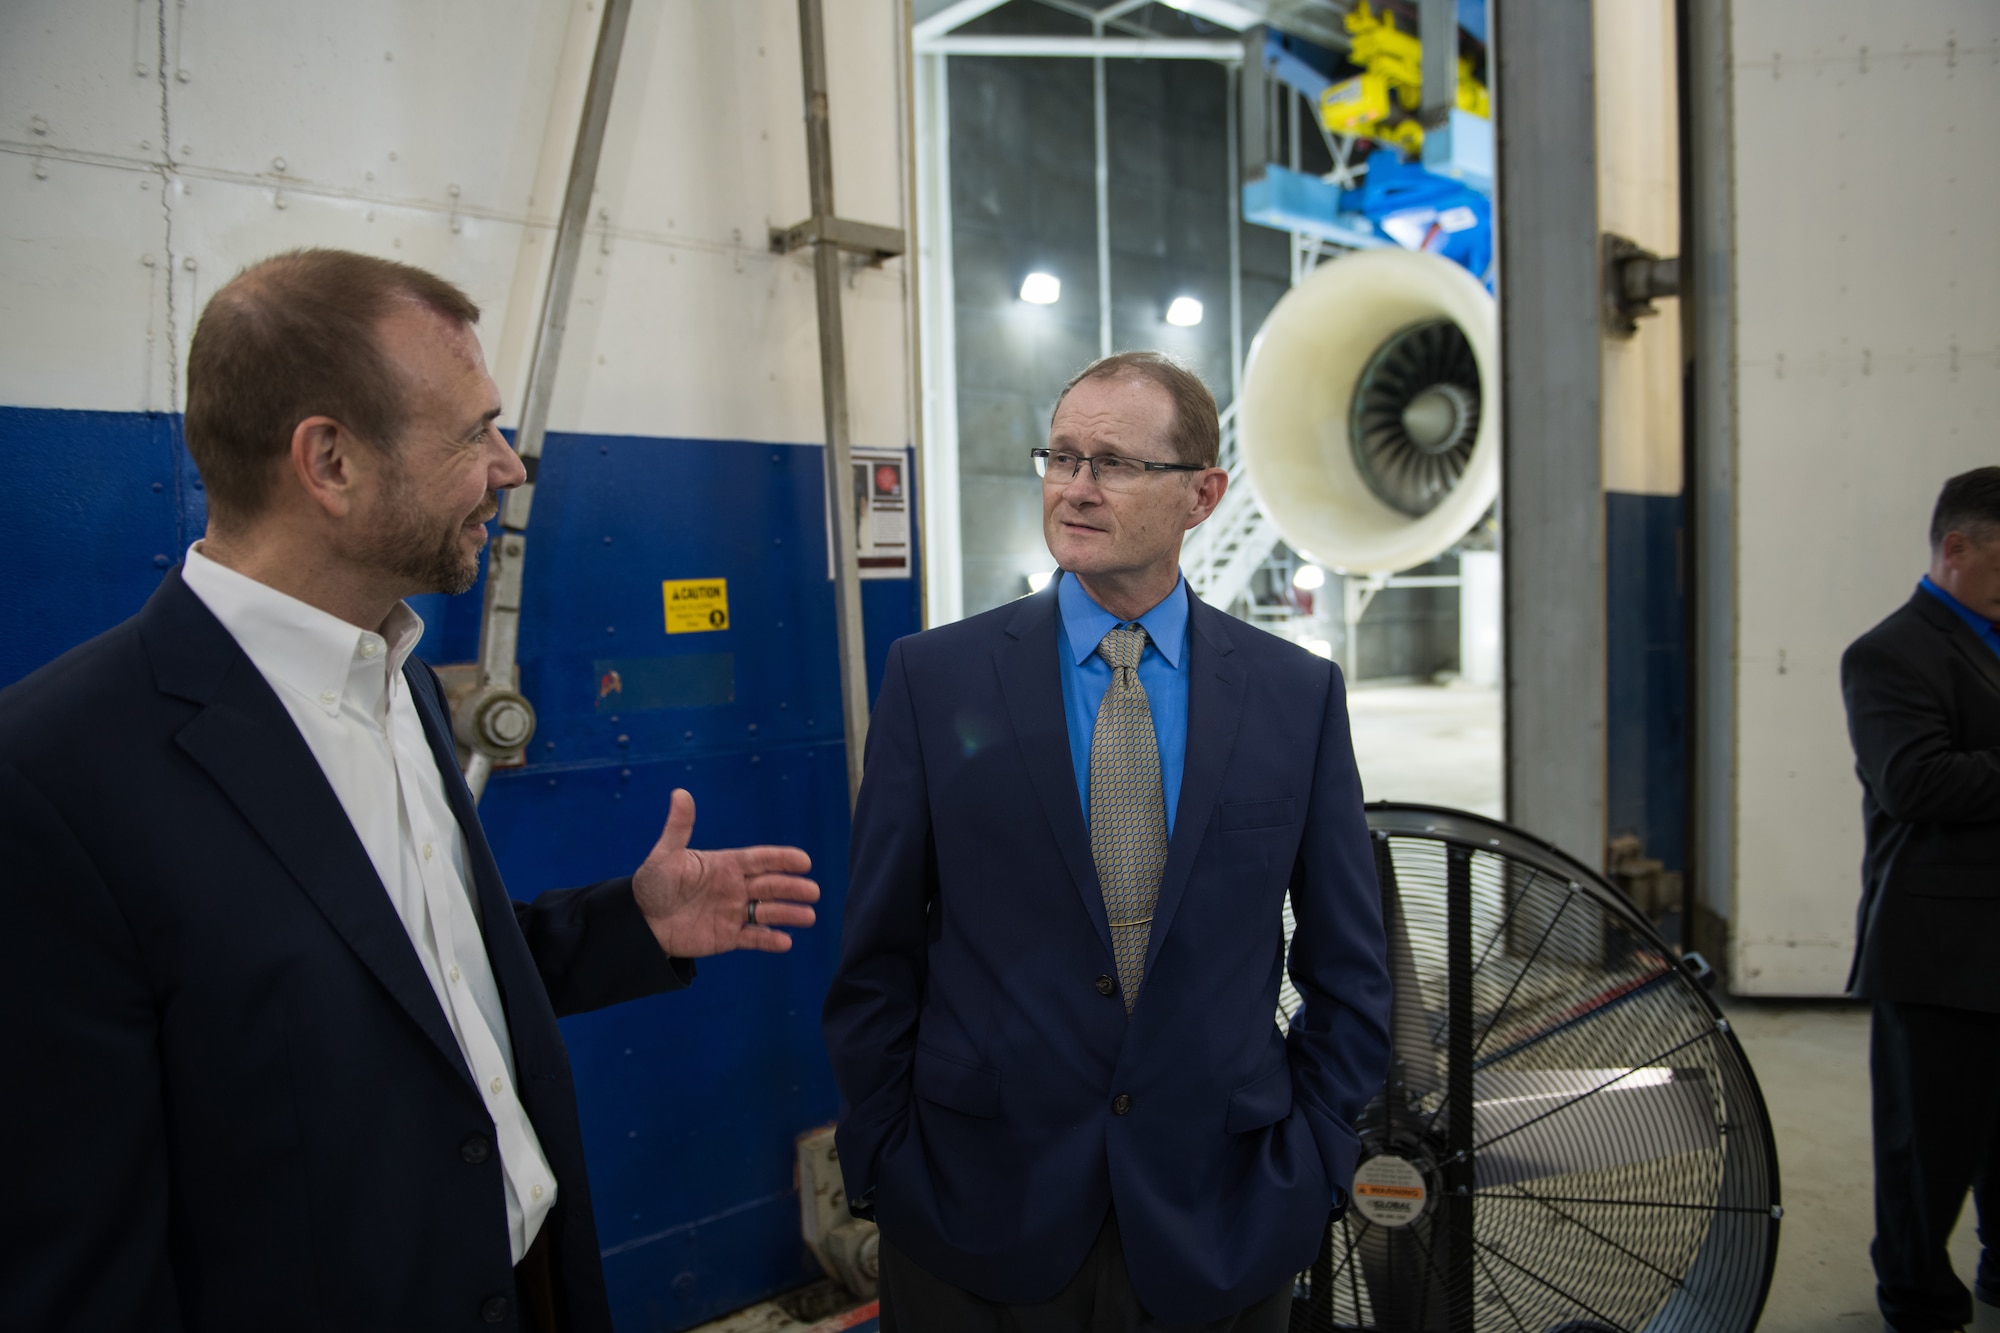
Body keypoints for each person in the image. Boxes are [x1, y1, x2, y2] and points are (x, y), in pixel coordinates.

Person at [0, 248, 820, 1333]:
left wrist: (631, 921)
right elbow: (79, 1264)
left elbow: (409, 986)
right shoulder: (54, 776)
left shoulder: (403, 682)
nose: (509, 465)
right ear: (330, 461)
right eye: (472, 430)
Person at [823, 352, 1392, 1331]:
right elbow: (875, 953)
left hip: (1221, 1213)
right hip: (973, 1213)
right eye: (1061, 455)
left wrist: (1316, 1155)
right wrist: (883, 1156)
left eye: (1115, 464)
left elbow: (1346, 957)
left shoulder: (1294, 699)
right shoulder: (935, 680)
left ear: (1202, 495)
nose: (1075, 488)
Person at [1841, 466, 2000, 1333]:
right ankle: (1917, 1298)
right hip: (1935, 946)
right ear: (1955, 548)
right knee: (1924, 1151)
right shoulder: (1890, 652)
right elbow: (1916, 780)